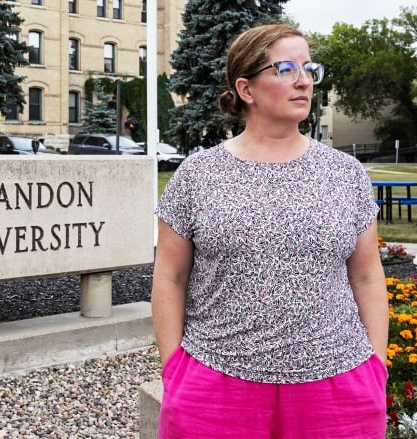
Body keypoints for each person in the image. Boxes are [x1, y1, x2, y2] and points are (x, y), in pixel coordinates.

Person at [152, 24, 388, 438]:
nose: (304, 80)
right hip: (216, 383)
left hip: (337, 385)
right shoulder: (198, 175)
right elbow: (169, 278)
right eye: (285, 68)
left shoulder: (345, 174)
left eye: (309, 67)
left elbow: (367, 275)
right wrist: (174, 369)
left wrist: (376, 364)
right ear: (246, 89)